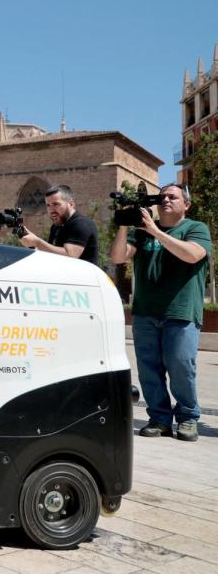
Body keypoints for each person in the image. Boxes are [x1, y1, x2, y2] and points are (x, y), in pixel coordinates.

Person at [110, 183, 211, 442]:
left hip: (181, 312)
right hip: (145, 312)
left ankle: (188, 418)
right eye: (162, 196)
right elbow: (118, 258)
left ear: (186, 204)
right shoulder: (141, 233)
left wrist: (155, 230)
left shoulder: (195, 228)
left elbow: (192, 255)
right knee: (149, 370)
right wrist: (124, 223)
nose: (165, 200)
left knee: (180, 366)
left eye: (172, 196)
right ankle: (159, 419)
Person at [19, 184, 99, 264]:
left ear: (71, 204)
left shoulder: (81, 224)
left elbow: (70, 256)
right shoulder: (56, 226)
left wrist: (38, 242)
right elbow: (51, 254)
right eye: (48, 205)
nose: (51, 210)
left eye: (56, 204)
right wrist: (32, 245)